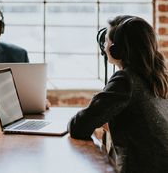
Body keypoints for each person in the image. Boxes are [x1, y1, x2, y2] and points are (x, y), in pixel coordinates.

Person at [68, 15, 168, 173]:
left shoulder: (125, 80)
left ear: (116, 50)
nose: (104, 45)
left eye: (106, 41)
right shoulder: (156, 76)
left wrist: (98, 103)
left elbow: (79, 126)